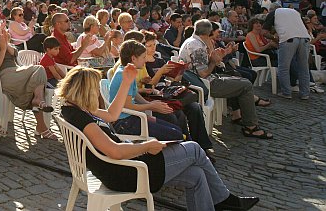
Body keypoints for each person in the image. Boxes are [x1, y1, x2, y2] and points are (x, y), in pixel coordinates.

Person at [58, 65, 260, 211]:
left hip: (121, 166)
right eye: (94, 90)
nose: (97, 95)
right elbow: (114, 151)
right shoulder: (81, 117)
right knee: (195, 149)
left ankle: (223, 202)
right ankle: (226, 200)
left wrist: (127, 81)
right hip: (125, 172)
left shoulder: (74, 108)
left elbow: (112, 115)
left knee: (196, 175)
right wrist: (146, 145)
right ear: (85, 91)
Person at [180, 19, 273, 139]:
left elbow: (206, 65)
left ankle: (239, 116)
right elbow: (203, 73)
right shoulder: (196, 46)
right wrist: (214, 61)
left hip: (203, 80)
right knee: (246, 85)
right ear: (208, 33)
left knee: (238, 80)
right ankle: (251, 127)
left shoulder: (194, 42)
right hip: (204, 84)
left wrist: (221, 53)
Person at [0, 22, 56, 140]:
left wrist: (6, 44)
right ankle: (42, 125)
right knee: (36, 77)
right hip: (1, 77)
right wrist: (2, 49)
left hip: (16, 71)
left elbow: (15, 54)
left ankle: (38, 100)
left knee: (40, 70)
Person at [108, 40, 184, 141]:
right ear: (133, 58)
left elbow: (134, 94)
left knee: (177, 130)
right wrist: (151, 106)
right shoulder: (123, 74)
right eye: (143, 57)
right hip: (124, 123)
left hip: (131, 118)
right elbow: (127, 106)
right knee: (176, 135)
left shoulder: (127, 71)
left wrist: (149, 103)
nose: (145, 60)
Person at [262, 3, 311, 100]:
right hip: (304, 38)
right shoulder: (294, 12)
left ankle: (286, 92)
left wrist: (275, 38)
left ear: (271, 9)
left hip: (288, 39)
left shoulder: (273, 13)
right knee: (304, 68)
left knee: (283, 68)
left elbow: (264, 32)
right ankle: (305, 93)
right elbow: (306, 28)